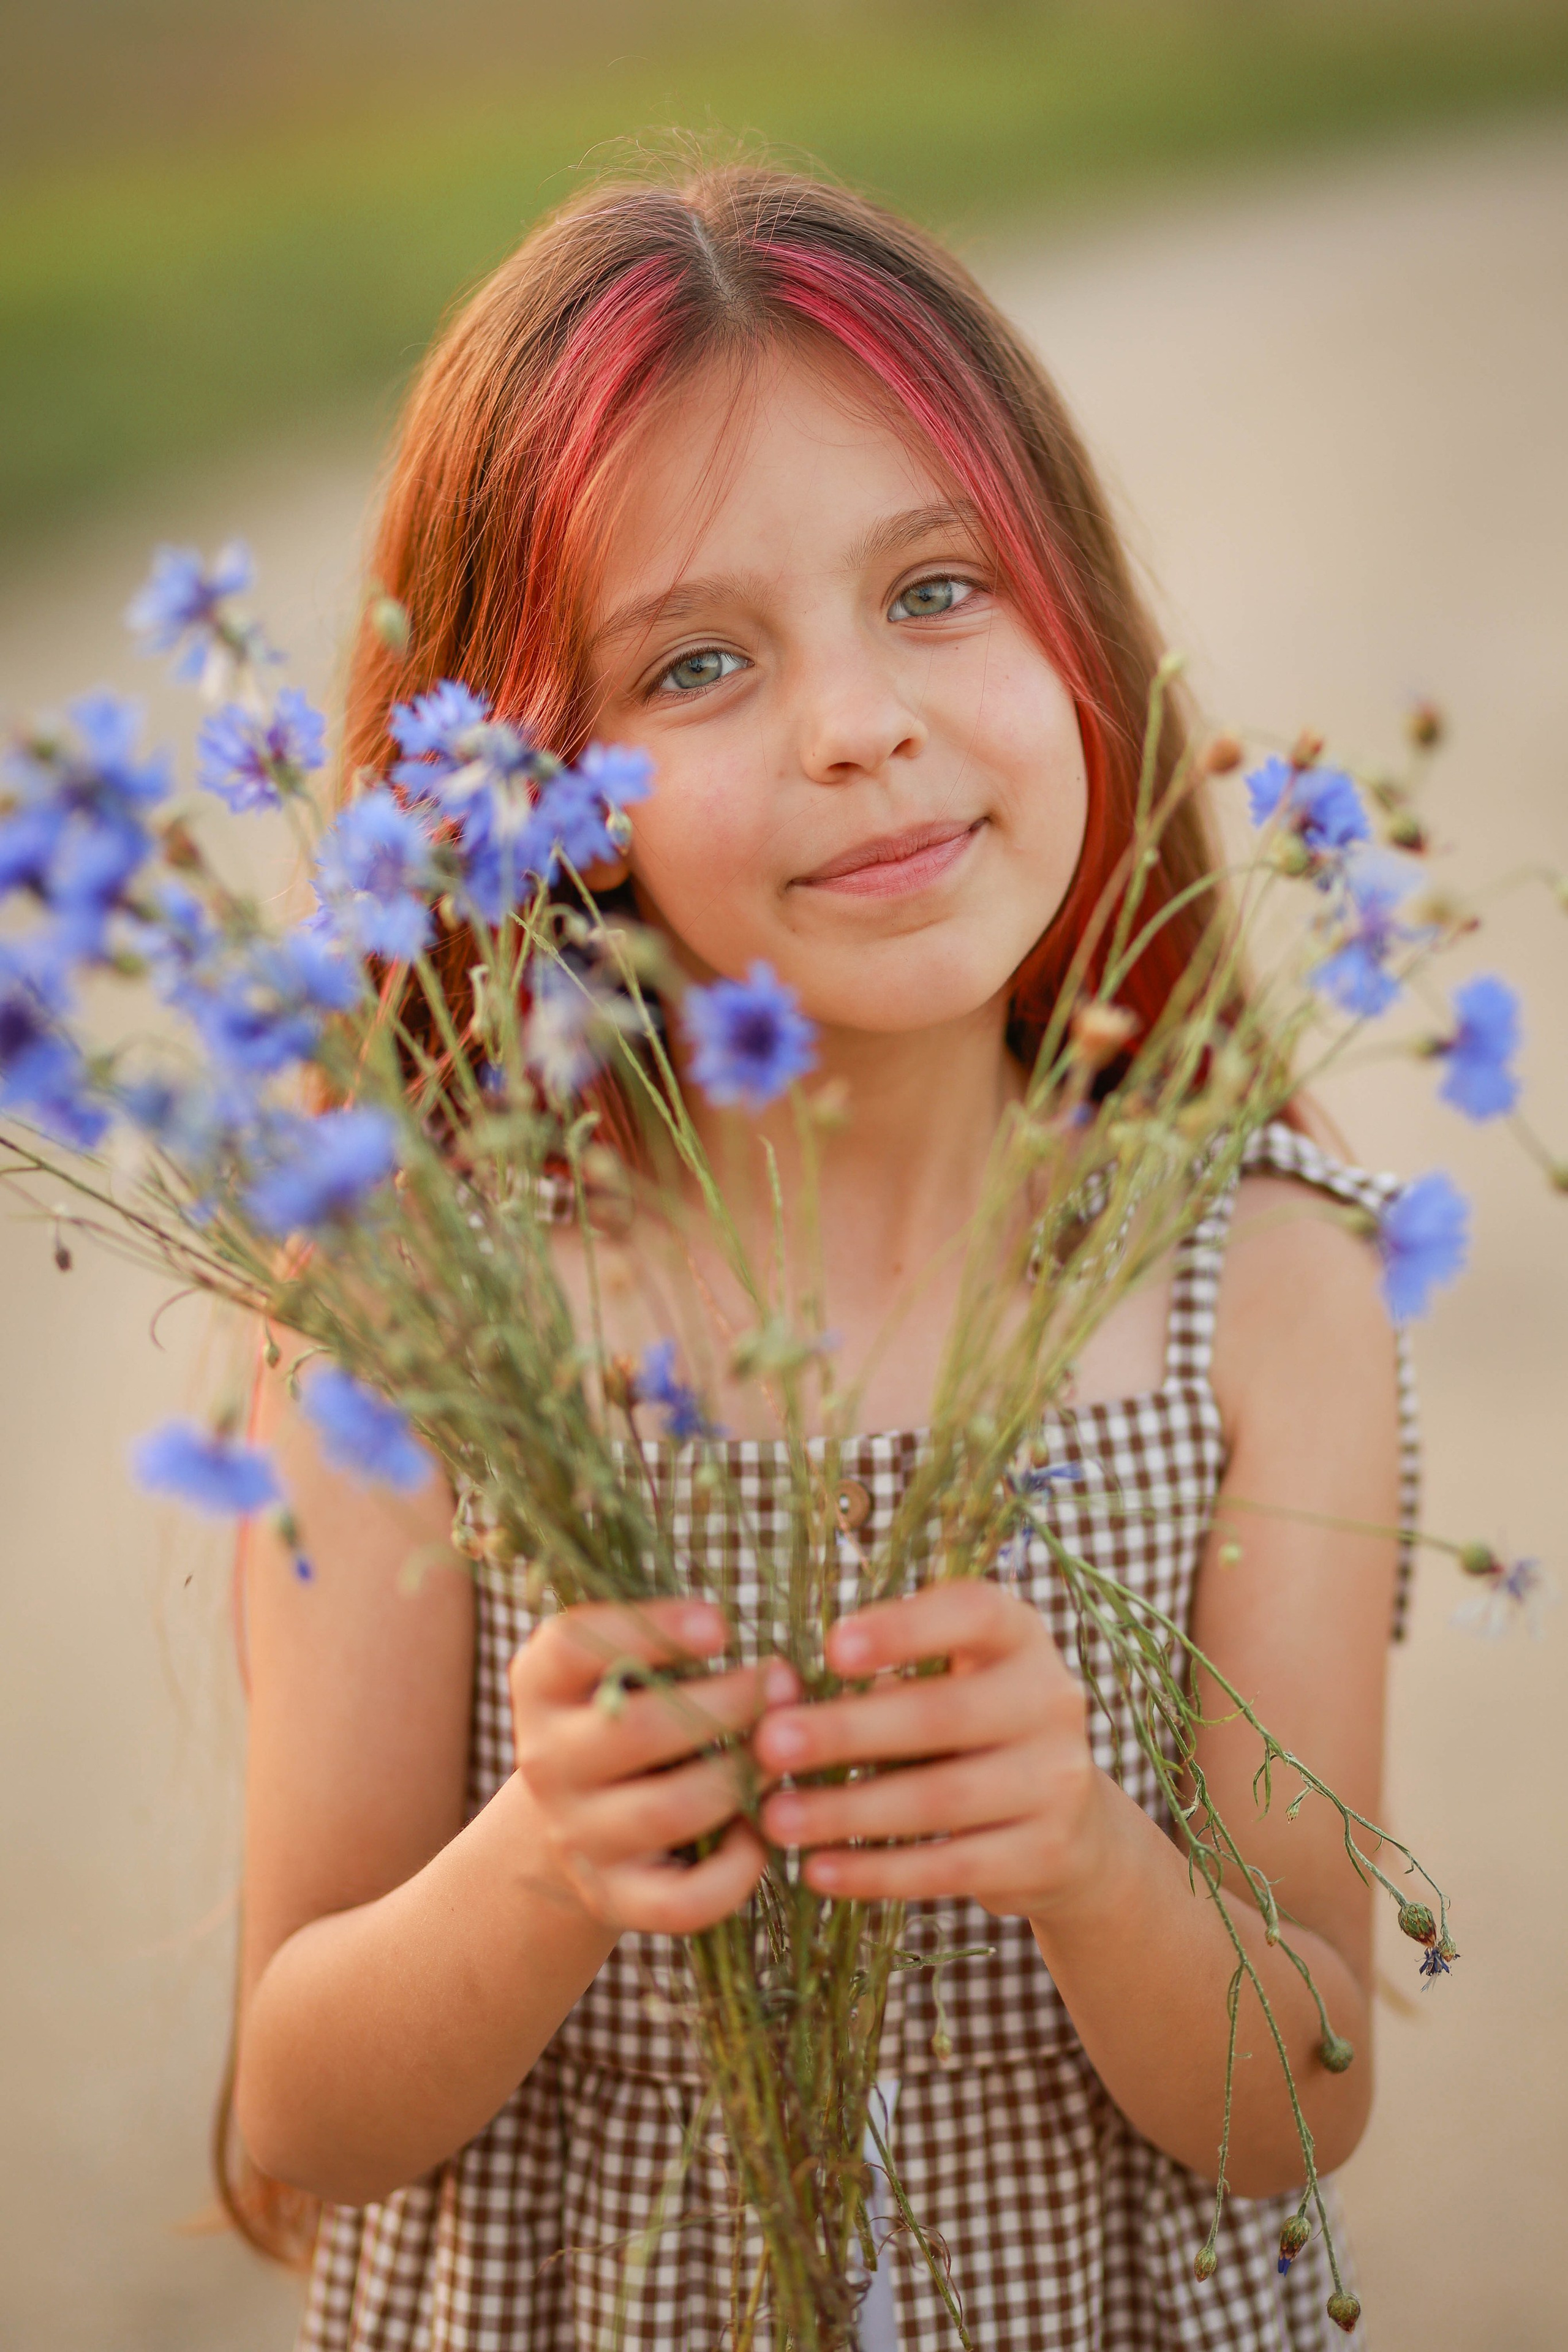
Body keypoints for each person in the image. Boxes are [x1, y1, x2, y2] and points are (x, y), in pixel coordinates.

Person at [229, 160, 1414, 2351]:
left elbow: (1305, 2102)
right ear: (530, 793)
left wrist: (1090, 1858)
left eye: (938, 588)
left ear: (1078, 624)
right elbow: (297, 2111)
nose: (858, 721)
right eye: (697, 661)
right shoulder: (432, 1316)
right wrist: (544, 1863)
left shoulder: (1263, 1290)